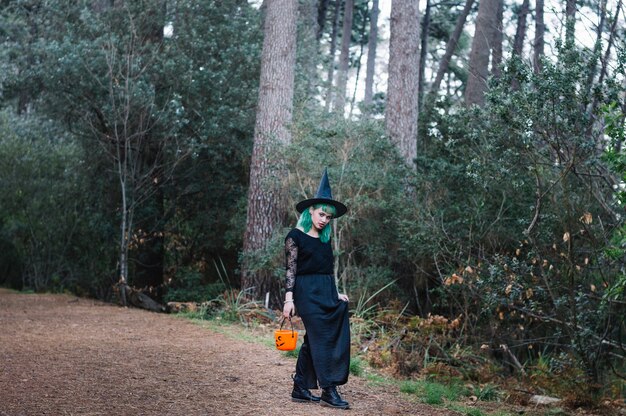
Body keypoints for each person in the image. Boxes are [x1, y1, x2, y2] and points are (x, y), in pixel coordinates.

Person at [282, 168, 351, 410]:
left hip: (324, 290)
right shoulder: (295, 236)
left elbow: (328, 269)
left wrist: (336, 292)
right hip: (305, 292)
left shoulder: (325, 239)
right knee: (322, 337)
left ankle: (300, 387)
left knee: (315, 338)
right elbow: (290, 270)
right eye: (321, 214)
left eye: (328, 217)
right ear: (310, 211)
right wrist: (288, 301)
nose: (324, 219)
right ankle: (328, 390)